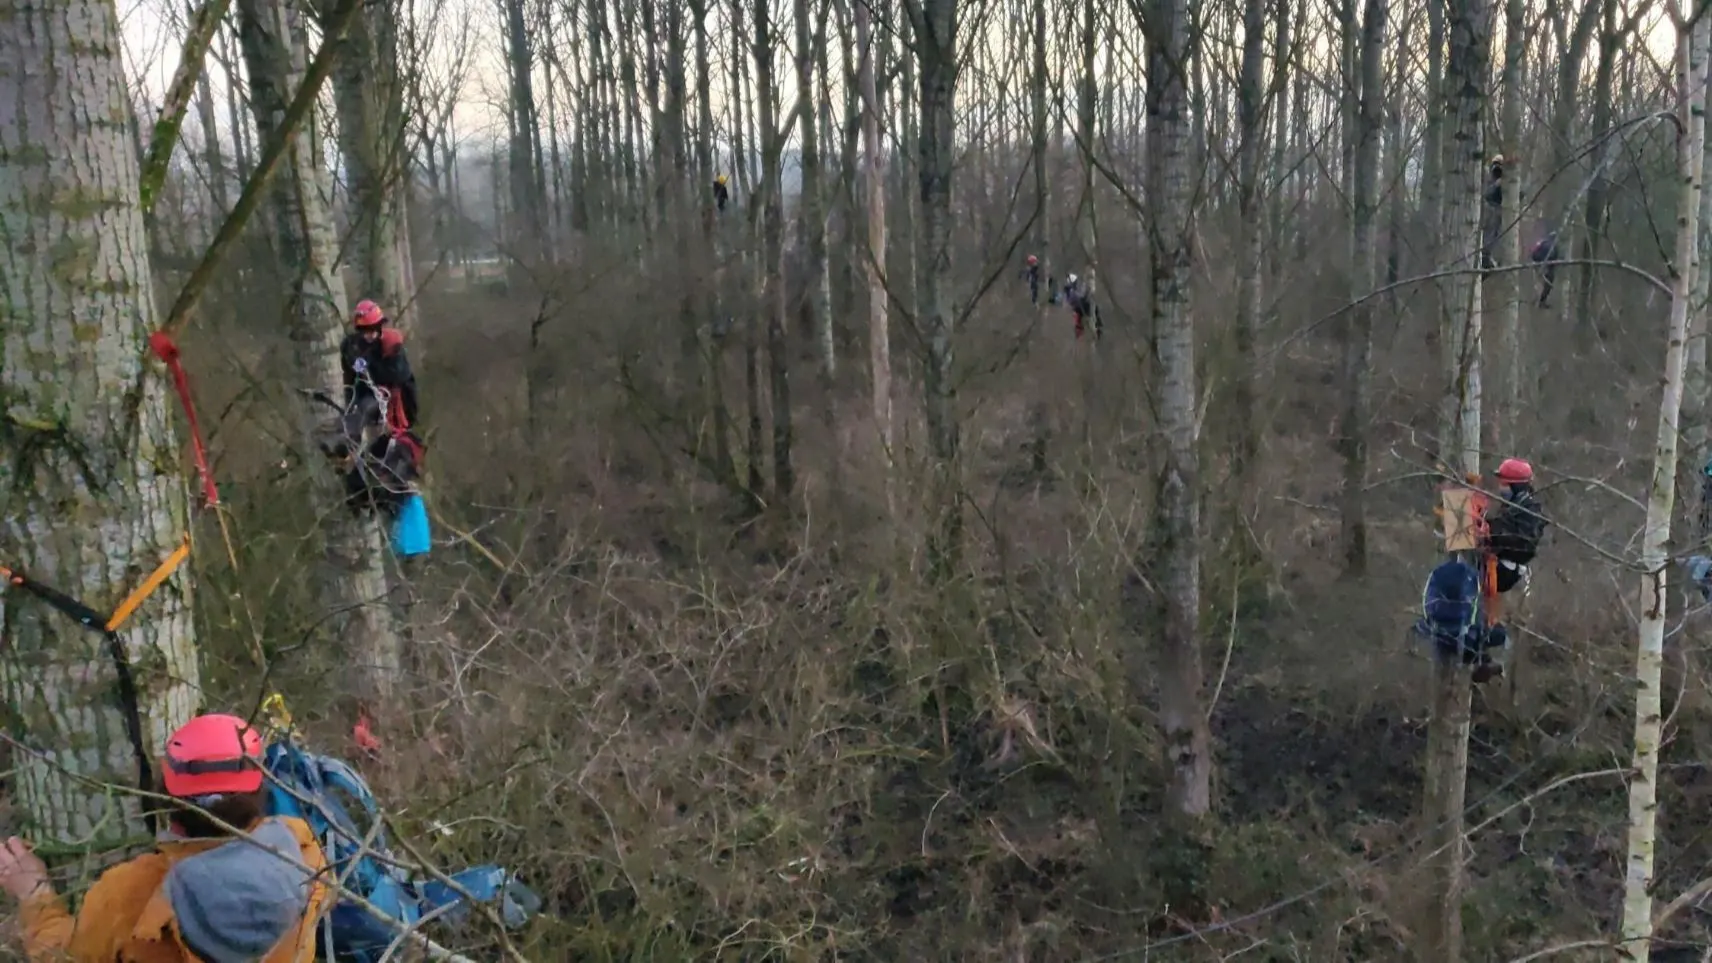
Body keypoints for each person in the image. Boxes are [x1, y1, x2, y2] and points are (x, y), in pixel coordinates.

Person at [0, 713, 330, 962]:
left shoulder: (135, 892)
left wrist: (35, 896)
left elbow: (63, 955)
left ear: (165, 798)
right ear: (261, 788)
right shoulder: (304, 854)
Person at [1416, 558, 1509, 682]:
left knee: (1486, 640)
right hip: (1461, 636)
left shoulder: (1440, 582)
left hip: (1442, 633)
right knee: (1497, 636)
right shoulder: (1467, 582)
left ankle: (1485, 663)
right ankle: (1485, 663)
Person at [340, 299, 419, 432]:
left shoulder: (392, 346)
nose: (369, 335)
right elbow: (350, 374)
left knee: (367, 411)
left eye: (373, 330)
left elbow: (399, 375)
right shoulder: (352, 346)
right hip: (361, 393)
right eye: (365, 331)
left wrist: (370, 366)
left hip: (391, 400)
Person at [1484, 457, 1548, 594]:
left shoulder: (1530, 511)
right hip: (1496, 566)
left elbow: (1523, 542)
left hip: (1506, 571)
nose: (1501, 488)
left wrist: (1492, 536)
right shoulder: (1512, 507)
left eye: (1505, 484)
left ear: (1516, 487)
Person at [1480, 154, 1505, 270]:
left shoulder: (1507, 179)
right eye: (1496, 164)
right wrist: (1496, 185)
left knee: (1497, 235)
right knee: (1489, 233)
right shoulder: (1488, 178)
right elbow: (1486, 194)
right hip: (1489, 209)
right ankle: (1485, 255)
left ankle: (1490, 258)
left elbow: (1521, 193)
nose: (1498, 168)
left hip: (1501, 210)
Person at [1530, 230, 1560, 308]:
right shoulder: (1551, 245)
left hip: (1539, 265)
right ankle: (1541, 301)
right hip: (1544, 266)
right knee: (1546, 284)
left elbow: (1534, 255)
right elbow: (1554, 258)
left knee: (1540, 283)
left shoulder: (1543, 243)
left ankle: (1538, 300)